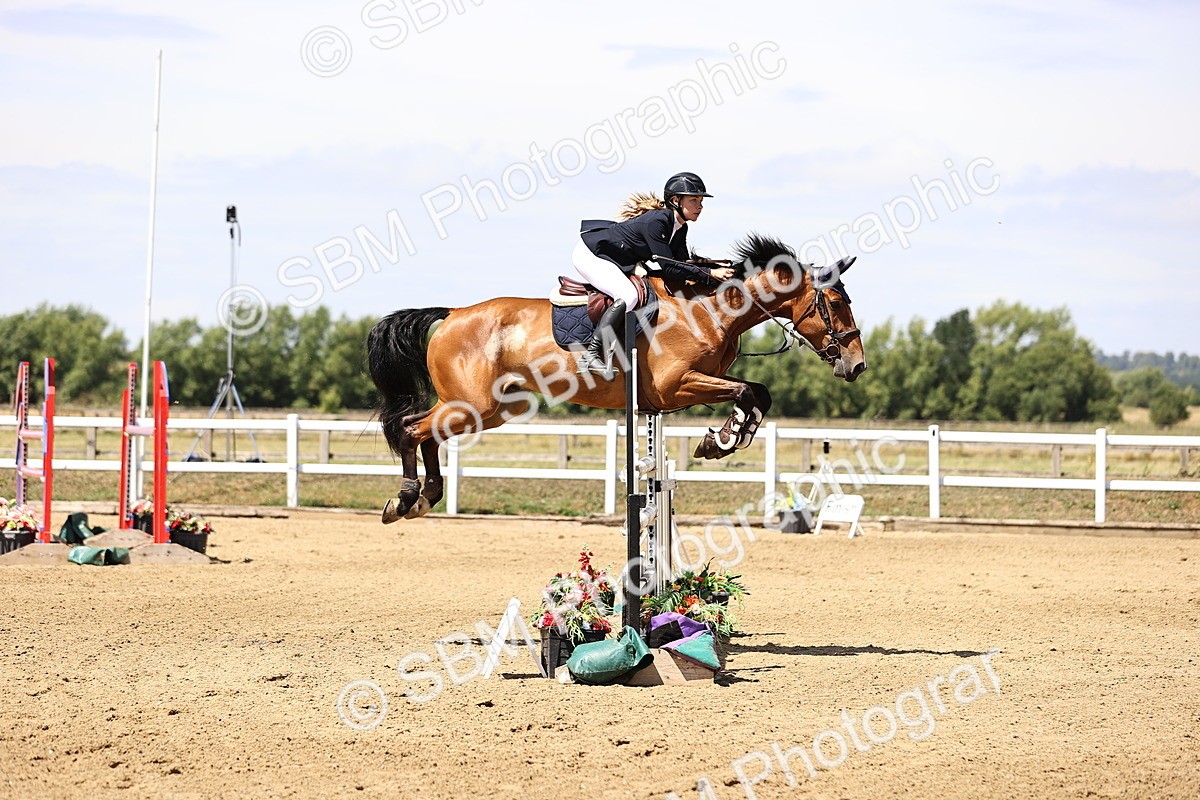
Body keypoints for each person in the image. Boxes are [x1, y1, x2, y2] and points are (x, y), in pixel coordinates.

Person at [572, 172, 736, 376]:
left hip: (616, 258)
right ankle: (591, 356)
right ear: (675, 200)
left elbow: (682, 264)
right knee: (628, 296)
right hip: (592, 254)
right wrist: (711, 273)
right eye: (694, 200)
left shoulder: (680, 228)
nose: (700, 206)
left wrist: (715, 266)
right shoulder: (657, 221)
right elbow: (669, 268)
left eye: (701, 200)